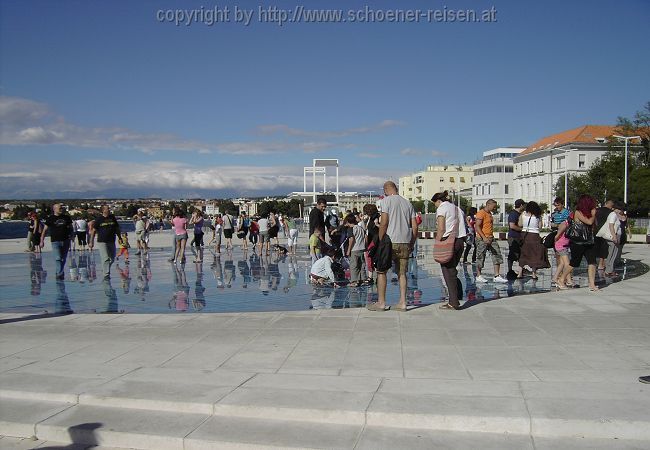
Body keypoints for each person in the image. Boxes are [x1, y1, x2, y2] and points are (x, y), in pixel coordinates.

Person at [368, 181, 418, 312]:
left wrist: (379, 239)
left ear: (386, 190)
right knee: (402, 273)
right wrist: (412, 242)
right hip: (405, 241)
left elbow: (384, 223)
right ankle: (402, 302)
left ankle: (381, 303)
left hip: (390, 241)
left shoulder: (386, 201)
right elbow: (415, 226)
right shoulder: (408, 203)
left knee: (381, 271)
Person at [432, 191, 467, 310]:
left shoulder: (442, 209)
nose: (435, 206)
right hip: (460, 241)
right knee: (452, 270)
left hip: (448, 241)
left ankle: (453, 301)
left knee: (447, 272)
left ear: (438, 201)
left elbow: (441, 228)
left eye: (434, 204)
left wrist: (437, 242)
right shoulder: (458, 209)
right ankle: (456, 297)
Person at [566, 194, 599, 291]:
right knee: (574, 263)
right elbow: (589, 222)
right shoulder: (578, 212)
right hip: (578, 242)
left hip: (589, 241)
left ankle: (592, 284)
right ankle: (562, 278)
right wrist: (593, 214)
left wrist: (593, 216)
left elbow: (594, 224)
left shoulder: (591, 213)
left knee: (592, 262)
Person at [474, 199, 508, 283]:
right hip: (482, 238)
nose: (494, 208)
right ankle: (478, 275)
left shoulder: (489, 214)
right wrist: (484, 237)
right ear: (488, 204)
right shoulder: (481, 213)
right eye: (493, 206)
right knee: (480, 256)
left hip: (491, 238)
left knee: (497, 254)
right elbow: (477, 226)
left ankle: (497, 275)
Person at [39, 203, 74, 280]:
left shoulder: (66, 218)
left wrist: (72, 236)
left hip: (65, 240)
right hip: (55, 241)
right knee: (58, 258)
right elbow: (45, 230)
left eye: (62, 208)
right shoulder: (50, 218)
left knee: (63, 258)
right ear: (54, 209)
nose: (61, 209)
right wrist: (42, 240)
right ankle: (59, 273)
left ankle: (59, 271)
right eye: (59, 208)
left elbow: (71, 228)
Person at [88, 204, 122, 280]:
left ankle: (105, 268)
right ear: (103, 210)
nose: (109, 210)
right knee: (105, 258)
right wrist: (91, 241)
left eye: (109, 209)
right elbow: (93, 231)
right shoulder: (99, 219)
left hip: (111, 241)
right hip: (102, 241)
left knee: (112, 259)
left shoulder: (112, 218)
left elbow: (117, 228)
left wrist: (120, 237)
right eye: (107, 209)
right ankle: (106, 274)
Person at [517, 201, 549, 279]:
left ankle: (520, 273)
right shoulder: (538, 216)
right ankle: (534, 274)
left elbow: (520, 224)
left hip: (525, 235)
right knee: (535, 255)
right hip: (534, 236)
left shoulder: (523, 214)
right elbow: (540, 227)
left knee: (523, 254)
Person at [597, 200, 625, 276]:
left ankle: (609, 269)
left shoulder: (614, 214)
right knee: (612, 254)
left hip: (615, 236)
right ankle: (609, 270)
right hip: (613, 236)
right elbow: (611, 225)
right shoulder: (613, 215)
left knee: (613, 253)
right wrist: (614, 236)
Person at [345, 214, 367, 287]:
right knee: (361, 265)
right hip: (361, 248)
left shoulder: (351, 229)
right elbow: (365, 237)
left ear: (348, 222)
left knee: (354, 266)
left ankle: (354, 281)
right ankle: (362, 279)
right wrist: (365, 246)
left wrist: (348, 250)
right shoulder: (360, 228)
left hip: (354, 249)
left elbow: (351, 239)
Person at [506, 199, 525, 275]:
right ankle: (510, 270)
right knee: (513, 253)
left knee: (521, 254)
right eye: (523, 205)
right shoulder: (513, 214)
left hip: (519, 237)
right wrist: (522, 230)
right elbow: (512, 226)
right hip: (513, 237)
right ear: (521, 205)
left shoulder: (519, 213)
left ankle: (520, 270)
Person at [362, 203, 380, 284]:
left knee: (373, 258)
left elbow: (382, 227)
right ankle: (370, 276)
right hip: (370, 240)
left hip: (375, 240)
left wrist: (377, 224)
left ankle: (376, 276)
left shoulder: (377, 217)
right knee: (369, 258)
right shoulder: (370, 218)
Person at [594, 199, 614, 271]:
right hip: (605, 231)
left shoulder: (596, 210)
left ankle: (593, 264)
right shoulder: (611, 212)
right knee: (604, 248)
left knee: (595, 247)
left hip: (595, 231)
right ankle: (601, 264)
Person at [553, 217, 572, 289]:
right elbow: (557, 236)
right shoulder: (564, 224)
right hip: (561, 245)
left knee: (562, 263)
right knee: (567, 263)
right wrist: (556, 244)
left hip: (564, 245)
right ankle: (568, 280)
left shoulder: (569, 224)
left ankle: (555, 278)